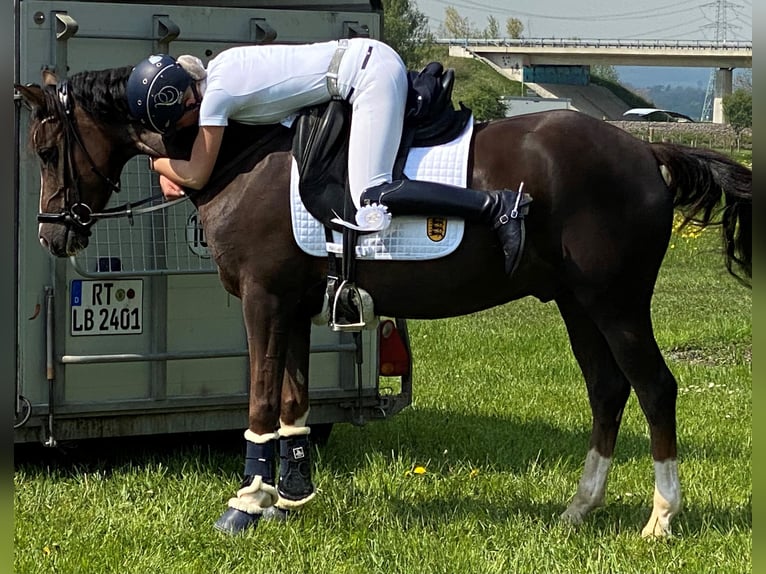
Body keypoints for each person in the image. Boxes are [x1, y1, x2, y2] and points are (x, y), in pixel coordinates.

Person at [127, 40, 529, 274]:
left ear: (182, 100)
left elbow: (197, 175)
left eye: (178, 122)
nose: (184, 128)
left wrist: (156, 161)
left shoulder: (215, 100)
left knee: (373, 193)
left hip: (367, 77)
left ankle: (497, 206)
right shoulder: (222, 67)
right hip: (362, 62)